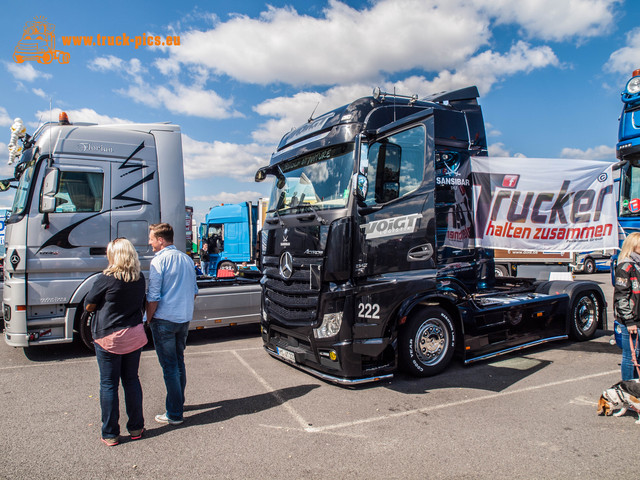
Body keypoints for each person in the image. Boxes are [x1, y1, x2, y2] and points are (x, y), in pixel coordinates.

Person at [84, 238, 147, 446]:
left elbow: (89, 304)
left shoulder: (106, 278)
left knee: (109, 384)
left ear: (115, 255)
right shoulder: (139, 278)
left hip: (109, 337)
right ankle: (136, 427)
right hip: (134, 335)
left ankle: (110, 433)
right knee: (131, 380)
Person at [146, 223, 198, 425]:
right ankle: (178, 404)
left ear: (160, 240)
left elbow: (153, 296)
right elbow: (193, 291)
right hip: (183, 318)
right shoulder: (186, 259)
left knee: (169, 367)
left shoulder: (159, 261)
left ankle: (174, 413)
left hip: (164, 319)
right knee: (179, 363)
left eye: (151, 238)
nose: (149, 242)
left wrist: (148, 319)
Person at [613, 232, 640, 380]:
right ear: (633, 246)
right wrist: (629, 321)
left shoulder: (637, 265)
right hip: (631, 320)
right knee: (630, 357)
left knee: (638, 355)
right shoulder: (625, 266)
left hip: (638, 318)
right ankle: (628, 389)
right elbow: (621, 296)